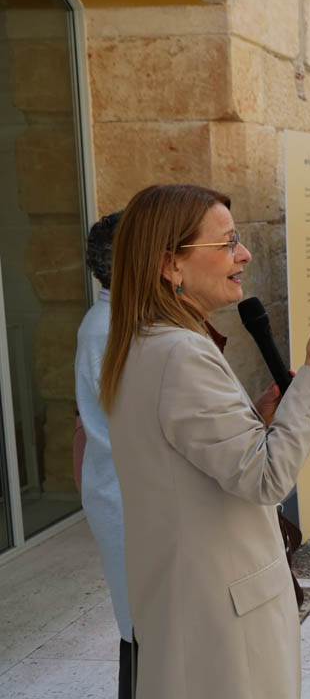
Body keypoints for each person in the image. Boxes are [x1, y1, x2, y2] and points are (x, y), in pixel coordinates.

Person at [101, 184, 310, 699]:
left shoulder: (142, 341)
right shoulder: (179, 353)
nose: (243, 254)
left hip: (191, 601)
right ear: (170, 265)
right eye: (225, 244)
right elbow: (266, 478)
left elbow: (185, 455)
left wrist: (255, 417)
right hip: (223, 617)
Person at [74, 211, 136, 699]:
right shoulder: (108, 328)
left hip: (129, 496)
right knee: (142, 630)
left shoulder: (124, 321)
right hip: (128, 501)